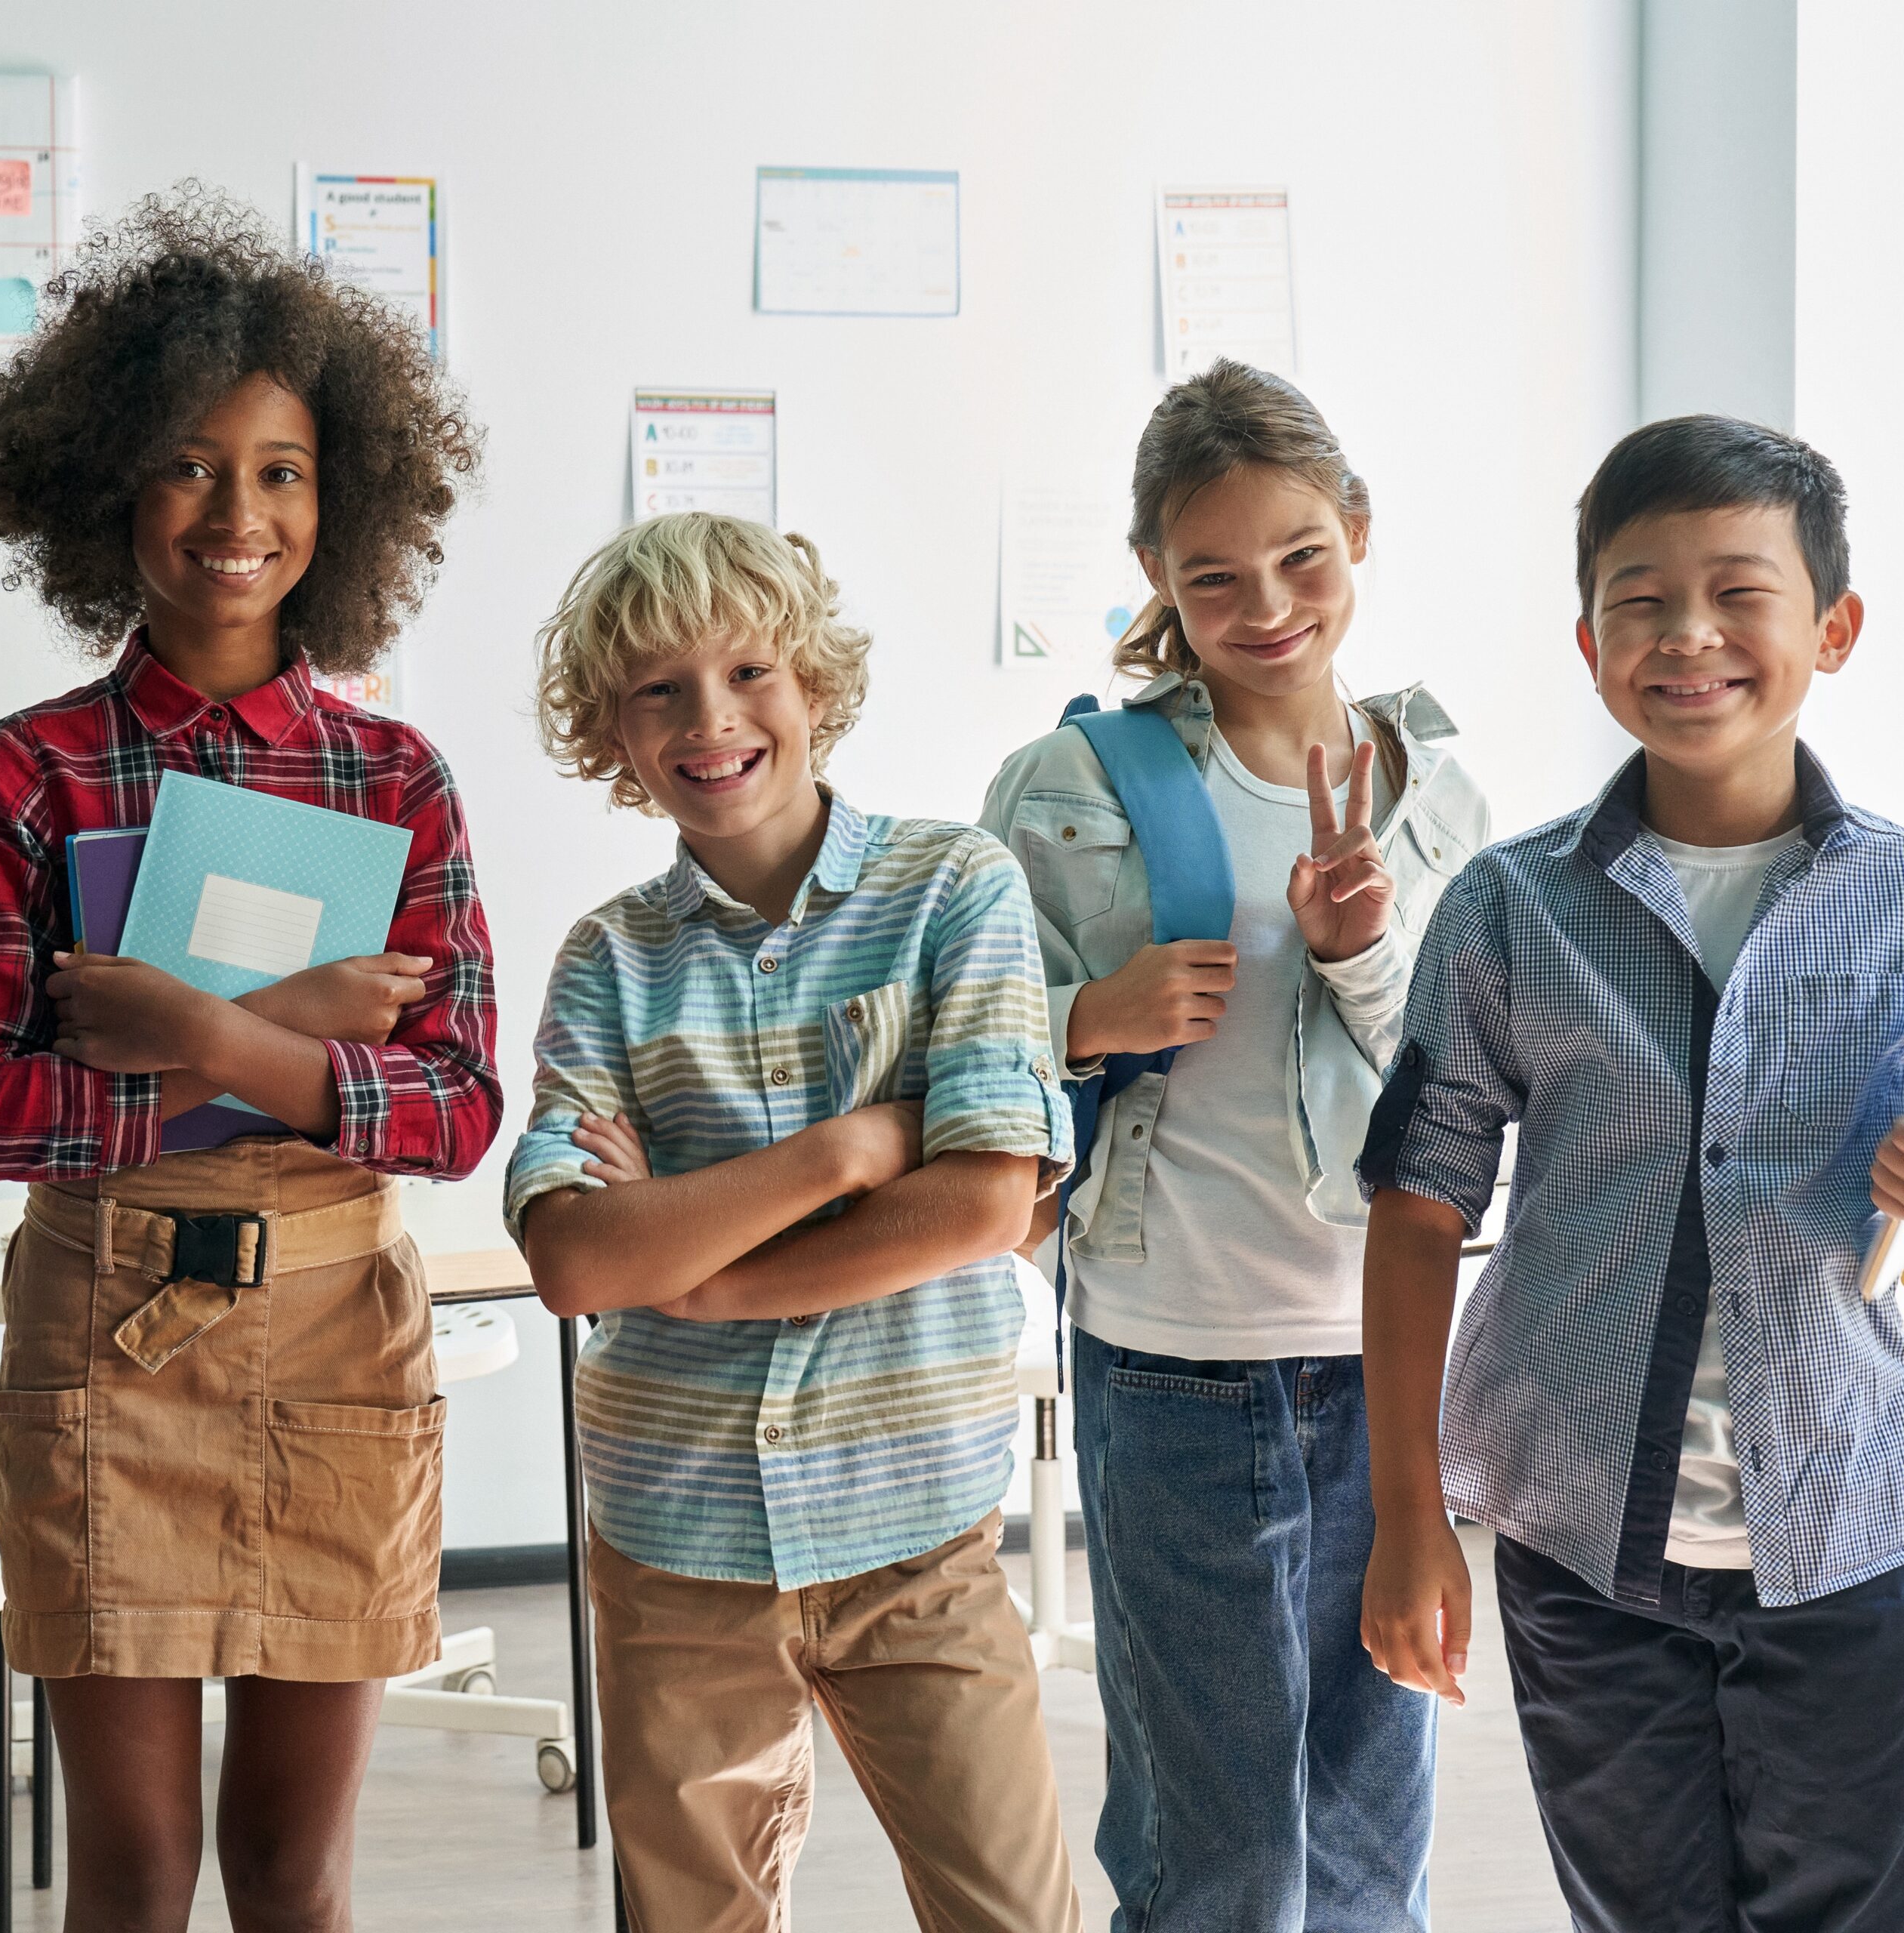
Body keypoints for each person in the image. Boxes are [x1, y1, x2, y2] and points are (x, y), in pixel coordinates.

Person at [0, 190, 500, 1931]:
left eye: (279, 471)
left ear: (337, 501)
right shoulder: (31, 773)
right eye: (191, 465)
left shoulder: (397, 775)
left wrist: (201, 1029)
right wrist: (295, 1034)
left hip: (338, 1339)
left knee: (293, 1876)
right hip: (106, 1339)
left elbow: (456, 1106)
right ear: (106, 478)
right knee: (130, 1878)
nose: (236, 514)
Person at [1358, 414, 1904, 1932]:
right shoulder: (1507, 906)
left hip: (1859, 1533)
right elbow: (1416, 1210)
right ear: (1587, 636)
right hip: (1581, 1540)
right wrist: (1408, 1519)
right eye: (1638, 597)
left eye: (1738, 591)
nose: (1686, 635)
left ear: (1831, 626)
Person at [507, 510, 1083, 1933]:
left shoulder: (958, 888)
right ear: (615, 735)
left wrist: (695, 1267)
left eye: (750, 671)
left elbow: (985, 1200)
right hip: (672, 1541)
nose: (712, 720)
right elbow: (579, 1258)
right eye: (659, 691)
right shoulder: (606, 958)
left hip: (920, 1536)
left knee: (1014, 1911)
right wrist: (851, 1147)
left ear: (815, 686)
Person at [981, 359, 1488, 1932]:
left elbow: (1457, 1092)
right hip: (1167, 1358)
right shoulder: (1072, 784)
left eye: (1298, 559)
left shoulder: (1434, 795)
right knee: (1222, 1859)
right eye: (1212, 575)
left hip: (1379, 1358)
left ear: (1355, 533)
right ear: (1155, 577)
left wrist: (1354, 948)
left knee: (1364, 1841)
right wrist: (1086, 1013)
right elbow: (956, 1045)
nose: (1264, 604)